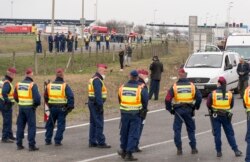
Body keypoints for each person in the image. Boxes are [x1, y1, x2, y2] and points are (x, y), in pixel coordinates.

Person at [165, 68, 202, 155]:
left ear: (179, 75)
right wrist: (196, 106)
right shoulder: (192, 86)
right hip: (189, 110)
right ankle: (193, 148)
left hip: (178, 111)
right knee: (191, 129)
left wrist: (170, 109)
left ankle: (179, 149)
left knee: (177, 130)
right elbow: (199, 97)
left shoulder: (175, 86)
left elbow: (167, 99)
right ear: (186, 75)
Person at [207, 76, 242, 157]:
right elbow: (231, 105)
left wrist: (213, 109)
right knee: (230, 134)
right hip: (226, 116)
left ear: (219, 83)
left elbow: (208, 104)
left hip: (215, 116)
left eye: (217, 82)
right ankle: (236, 150)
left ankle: (219, 152)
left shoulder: (213, 94)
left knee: (217, 135)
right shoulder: (229, 94)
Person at [117, 70, 148, 161]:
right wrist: (143, 110)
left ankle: (123, 150)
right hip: (136, 114)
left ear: (129, 76)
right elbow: (145, 101)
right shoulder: (141, 87)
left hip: (124, 113)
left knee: (124, 132)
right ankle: (129, 153)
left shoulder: (122, 87)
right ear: (137, 77)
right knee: (133, 134)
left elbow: (120, 99)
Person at [44, 68, 74, 146]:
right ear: (63, 75)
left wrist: (49, 105)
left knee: (50, 124)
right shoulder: (65, 86)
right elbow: (70, 97)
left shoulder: (49, 85)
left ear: (56, 75)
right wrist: (69, 108)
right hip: (62, 109)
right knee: (61, 125)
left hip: (52, 108)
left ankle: (48, 140)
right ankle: (57, 141)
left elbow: (45, 97)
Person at [14, 68, 41, 151]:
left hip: (21, 107)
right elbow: (37, 99)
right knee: (31, 126)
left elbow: (15, 96)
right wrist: (35, 105)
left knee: (20, 126)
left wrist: (20, 102)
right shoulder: (32, 85)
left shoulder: (18, 84)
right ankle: (31, 145)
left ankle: (19, 144)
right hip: (30, 108)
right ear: (31, 74)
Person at [88, 64, 111, 148]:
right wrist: (100, 106)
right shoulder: (97, 80)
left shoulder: (93, 78)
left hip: (92, 103)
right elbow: (98, 95)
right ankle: (101, 142)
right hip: (96, 104)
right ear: (100, 70)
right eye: (104, 71)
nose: (105, 73)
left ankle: (92, 141)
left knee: (93, 123)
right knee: (99, 123)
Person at [0, 67, 16, 143]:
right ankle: (5, 137)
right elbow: (4, 92)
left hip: (1, 102)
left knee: (8, 120)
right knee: (7, 121)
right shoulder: (7, 83)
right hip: (5, 104)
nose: (15, 75)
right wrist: (8, 101)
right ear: (11, 74)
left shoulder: (2, 81)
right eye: (14, 74)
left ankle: (10, 135)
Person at [135, 69, 149, 152]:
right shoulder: (142, 86)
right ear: (142, 75)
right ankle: (135, 145)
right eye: (146, 76)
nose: (147, 77)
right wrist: (144, 110)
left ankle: (129, 145)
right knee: (138, 129)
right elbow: (145, 99)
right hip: (140, 111)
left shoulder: (131, 84)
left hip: (128, 109)